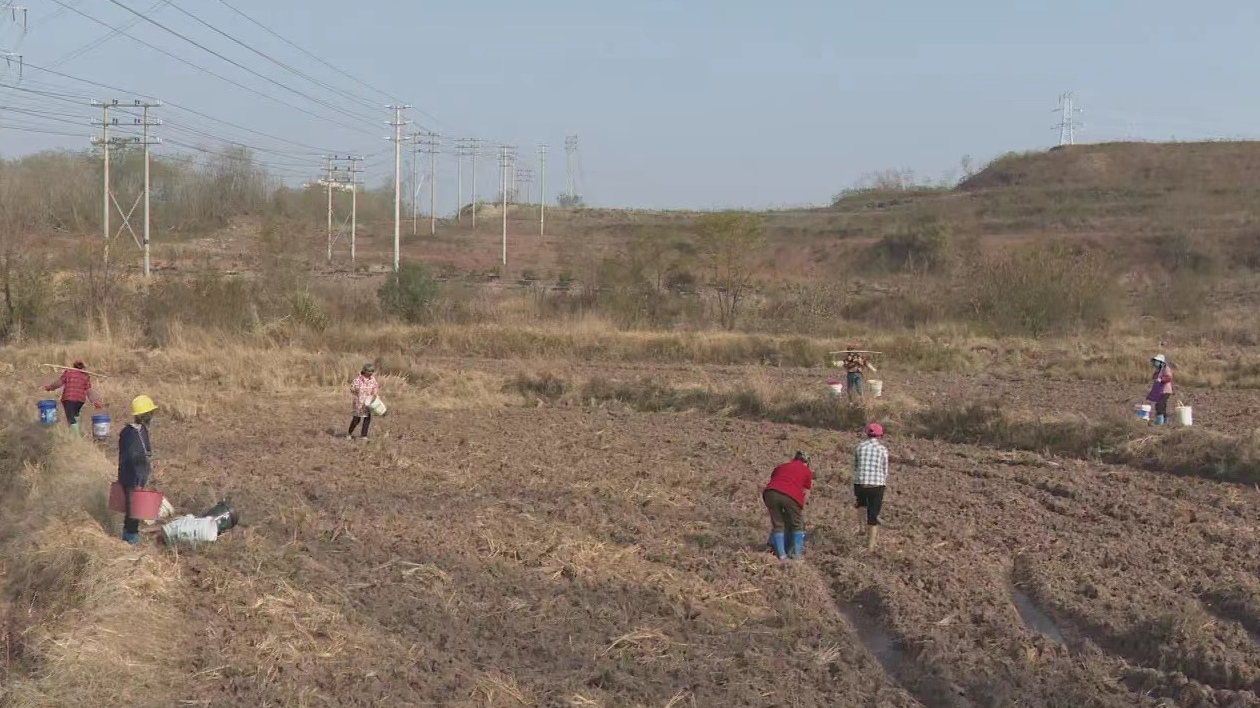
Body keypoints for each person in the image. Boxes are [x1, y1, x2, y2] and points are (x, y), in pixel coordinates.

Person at [118, 395, 157, 546]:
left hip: (127, 476)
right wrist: (139, 482)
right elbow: (136, 459)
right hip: (133, 478)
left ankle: (127, 537)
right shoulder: (135, 435)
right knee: (134, 511)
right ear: (146, 416)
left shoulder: (132, 431)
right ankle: (130, 541)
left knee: (131, 509)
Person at [763, 451, 814, 561]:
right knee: (797, 524)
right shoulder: (807, 471)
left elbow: (775, 481)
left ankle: (781, 556)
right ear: (807, 463)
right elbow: (806, 492)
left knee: (778, 524)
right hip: (790, 495)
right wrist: (799, 508)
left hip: (770, 493)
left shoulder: (782, 466)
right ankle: (796, 555)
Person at [854, 423, 890, 552]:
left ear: (867, 434)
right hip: (876, 485)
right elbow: (885, 470)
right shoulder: (883, 450)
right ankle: (870, 547)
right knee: (873, 516)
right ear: (880, 436)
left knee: (860, 504)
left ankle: (861, 528)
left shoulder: (859, 447)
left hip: (860, 483)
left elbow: (856, 466)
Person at [44, 360, 102, 433]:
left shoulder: (68, 373)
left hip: (69, 399)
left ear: (74, 366)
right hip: (80, 401)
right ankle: (72, 434)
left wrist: (50, 387)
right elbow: (89, 390)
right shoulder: (85, 376)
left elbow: (58, 383)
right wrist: (95, 402)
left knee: (71, 419)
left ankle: (77, 437)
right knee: (75, 416)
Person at [347, 363, 379, 440]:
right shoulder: (357, 379)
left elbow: (375, 388)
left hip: (368, 403)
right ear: (364, 371)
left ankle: (364, 435)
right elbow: (352, 388)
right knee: (356, 420)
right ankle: (349, 433)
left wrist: (374, 395)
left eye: (372, 371)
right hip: (359, 403)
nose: (371, 373)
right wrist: (356, 389)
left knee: (367, 420)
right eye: (369, 371)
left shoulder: (373, 380)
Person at [1147, 354, 1174, 426]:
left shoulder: (1166, 369)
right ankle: (1164, 421)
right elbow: (1154, 377)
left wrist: (1161, 379)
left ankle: (1160, 421)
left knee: (1160, 405)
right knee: (1161, 405)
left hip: (1165, 390)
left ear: (1161, 362)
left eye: (1156, 361)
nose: (1155, 363)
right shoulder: (1159, 370)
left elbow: (1169, 378)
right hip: (1160, 391)